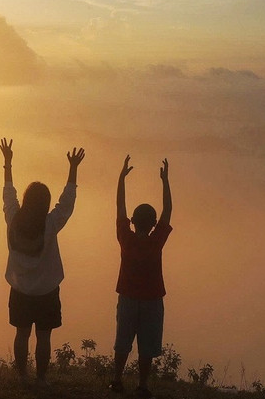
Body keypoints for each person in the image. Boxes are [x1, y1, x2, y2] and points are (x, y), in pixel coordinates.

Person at [0, 137, 85, 386]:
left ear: (26, 201)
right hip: (47, 291)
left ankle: (22, 375)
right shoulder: (50, 225)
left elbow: (8, 196)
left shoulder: (13, 220)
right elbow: (66, 204)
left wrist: (7, 163)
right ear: (45, 203)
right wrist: (73, 168)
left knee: (21, 334)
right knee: (44, 337)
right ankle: (41, 378)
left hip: (20, 289)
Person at [109, 155, 172, 399]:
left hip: (127, 298)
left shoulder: (126, 238)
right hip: (152, 300)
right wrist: (165, 181)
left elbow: (119, 207)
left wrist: (121, 179)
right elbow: (168, 210)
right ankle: (143, 385)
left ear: (133, 222)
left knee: (122, 342)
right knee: (147, 346)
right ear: (154, 223)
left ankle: (116, 380)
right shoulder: (156, 241)